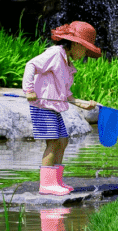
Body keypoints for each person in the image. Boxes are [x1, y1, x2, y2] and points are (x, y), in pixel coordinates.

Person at [22, 21, 101, 195]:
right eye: (85, 49)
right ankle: (46, 185)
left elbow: (66, 94)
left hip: (53, 108)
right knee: (54, 142)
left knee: (63, 141)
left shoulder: (66, 64)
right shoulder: (55, 54)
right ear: (75, 44)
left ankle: (56, 181)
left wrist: (82, 103)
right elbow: (31, 65)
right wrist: (29, 89)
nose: (85, 54)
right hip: (42, 106)